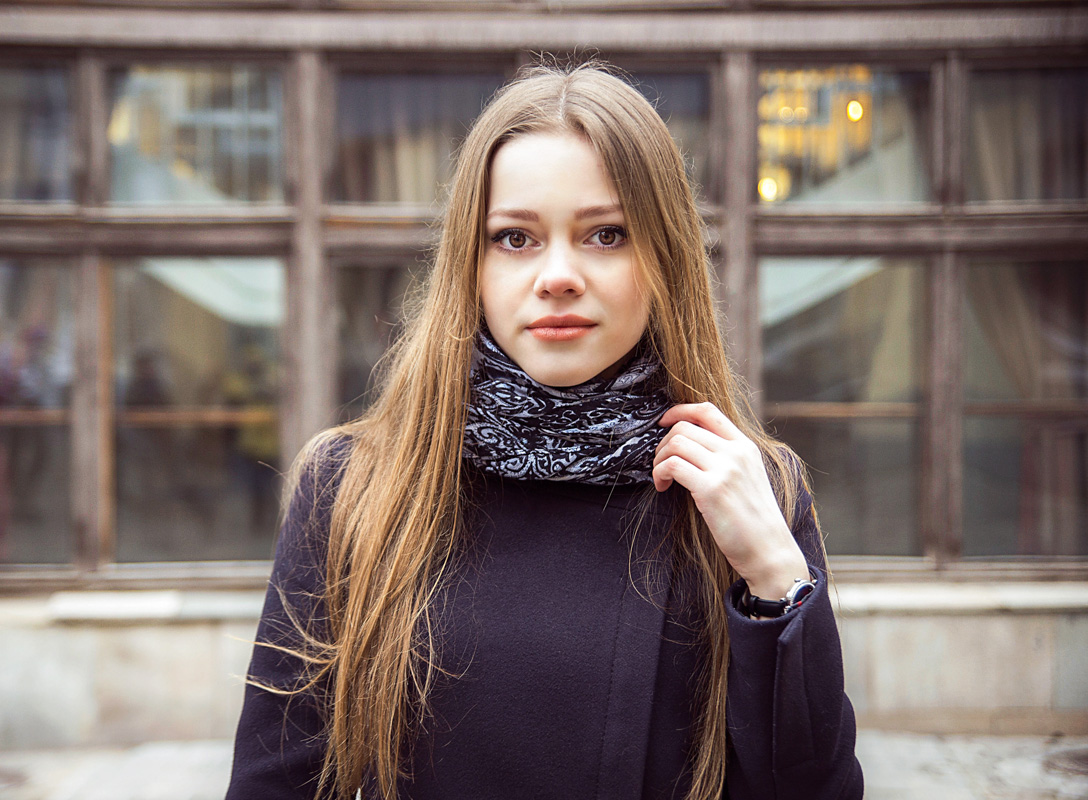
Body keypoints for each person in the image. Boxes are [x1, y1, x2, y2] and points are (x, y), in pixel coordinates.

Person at [226, 60, 863, 800]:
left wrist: (776, 580)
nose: (558, 275)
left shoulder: (748, 484)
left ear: (665, 259)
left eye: (606, 234)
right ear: (470, 265)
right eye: (515, 238)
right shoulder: (353, 484)